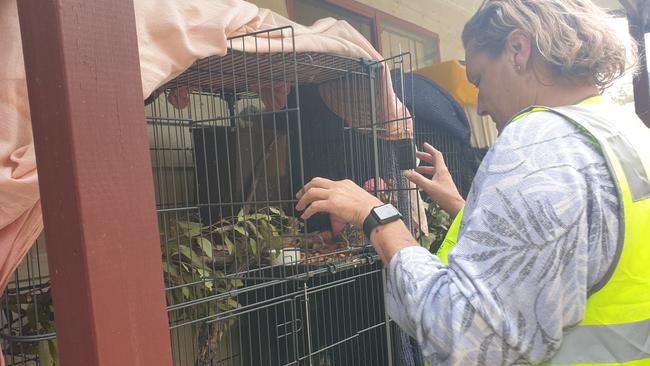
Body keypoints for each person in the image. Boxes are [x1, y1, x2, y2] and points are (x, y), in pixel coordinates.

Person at [296, 0, 650, 364]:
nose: (479, 106)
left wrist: (377, 216)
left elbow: (465, 337)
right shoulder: (619, 129)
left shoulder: (541, 141)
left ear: (518, 49)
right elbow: (573, 246)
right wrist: (461, 206)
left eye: (479, 79)